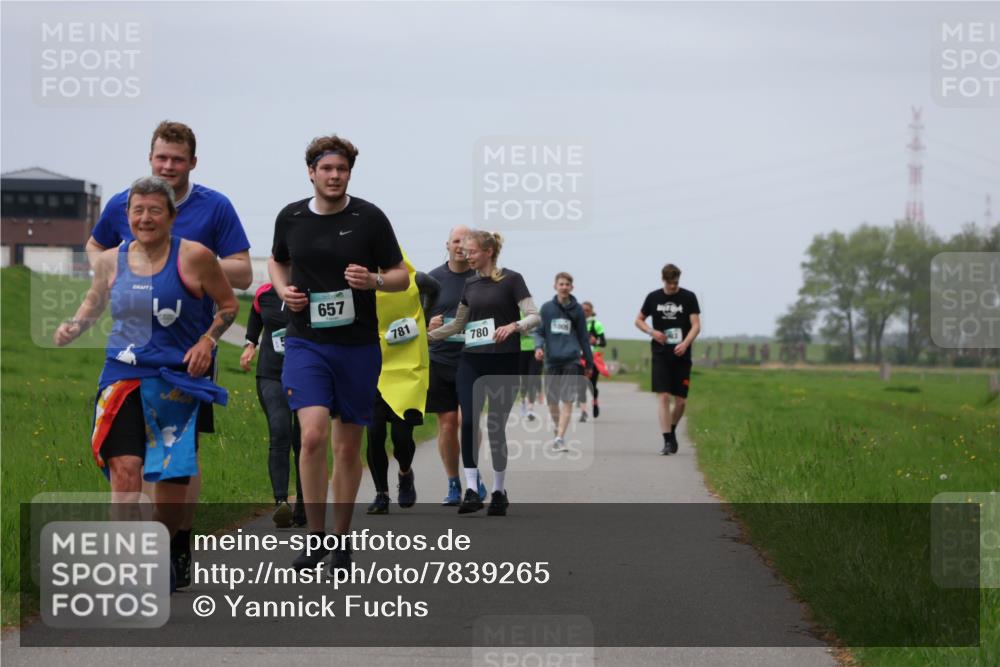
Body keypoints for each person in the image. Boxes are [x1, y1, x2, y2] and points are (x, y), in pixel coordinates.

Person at [85, 121, 252, 589]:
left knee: (175, 463)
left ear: (192, 163)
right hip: (128, 358)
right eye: (161, 157)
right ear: (150, 158)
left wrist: (186, 262)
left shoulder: (215, 207)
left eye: (177, 159)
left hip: (187, 357)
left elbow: (240, 272)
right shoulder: (125, 202)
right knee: (127, 465)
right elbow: (96, 248)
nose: (168, 166)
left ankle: (178, 541)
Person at [54, 176, 238, 590]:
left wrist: (207, 341)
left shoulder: (196, 258)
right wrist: (75, 326)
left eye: (155, 210)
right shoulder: (109, 260)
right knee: (126, 469)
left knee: (170, 494)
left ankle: (163, 545)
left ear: (172, 216)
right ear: (127, 215)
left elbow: (227, 306)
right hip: (122, 376)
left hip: (176, 381)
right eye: (138, 210)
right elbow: (94, 300)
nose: (145, 218)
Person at [269, 134, 409, 571]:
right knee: (311, 436)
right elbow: (276, 260)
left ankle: (342, 540)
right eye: (326, 169)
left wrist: (374, 282)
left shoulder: (370, 218)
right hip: (306, 341)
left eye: (342, 169)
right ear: (311, 172)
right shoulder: (290, 216)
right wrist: (282, 290)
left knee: (348, 449)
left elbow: (400, 275)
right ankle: (315, 536)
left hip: (357, 345)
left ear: (350, 173)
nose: (334, 176)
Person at [428, 231, 540, 516]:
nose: (467, 255)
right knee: (467, 423)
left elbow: (534, 316)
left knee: (495, 428)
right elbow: (458, 326)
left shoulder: (512, 280)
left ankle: (499, 491)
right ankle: (470, 489)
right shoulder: (470, 283)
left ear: (488, 251)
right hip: (471, 361)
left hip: (504, 362)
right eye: (463, 250)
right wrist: (426, 337)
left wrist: (514, 327)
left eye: (472, 251)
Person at [365, 259, 438, 514]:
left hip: (407, 369)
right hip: (373, 367)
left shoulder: (415, 279)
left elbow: (435, 288)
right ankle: (381, 494)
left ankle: (405, 472)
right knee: (374, 434)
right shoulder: (363, 280)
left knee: (401, 436)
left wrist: (424, 319)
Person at [425, 226, 487, 506]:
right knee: (448, 425)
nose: (461, 245)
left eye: (466, 241)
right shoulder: (432, 279)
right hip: (439, 358)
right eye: (456, 240)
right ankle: (453, 482)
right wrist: (429, 323)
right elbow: (416, 318)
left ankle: (473, 476)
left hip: (472, 358)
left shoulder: (483, 279)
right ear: (447, 245)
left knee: (468, 421)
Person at [240, 283, 306, 528]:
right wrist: (250, 343)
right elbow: (256, 313)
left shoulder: (312, 289)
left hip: (306, 375)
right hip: (271, 373)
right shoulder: (264, 292)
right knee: (280, 431)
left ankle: (304, 502)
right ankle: (281, 503)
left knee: (304, 441)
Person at [634, 263, 702, 455]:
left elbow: (696, 325)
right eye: (670, 283)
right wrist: (652, 331)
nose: (673, 286)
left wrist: (686, 343)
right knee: (663, 396)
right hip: (661, 353)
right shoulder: (653, 297)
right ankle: (667, 440)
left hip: (681, 353)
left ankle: (671, 430)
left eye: (676, 283)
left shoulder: (689, 297)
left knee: (680, 401)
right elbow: (638, 320)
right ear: (663, 280)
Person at [533, 273, 594, 452]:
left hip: (571, 360)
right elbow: (539, 331)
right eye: (561, 284)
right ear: (555, 286)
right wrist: (538, 347)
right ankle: (558, 428)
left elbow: (584, 337)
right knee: (552, 401)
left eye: (567, 284)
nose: (564, 287)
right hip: (551, 360)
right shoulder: (546, 309)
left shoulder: (577, 311)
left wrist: (589, 363)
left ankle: (560, 437)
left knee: (567, 399)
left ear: (571, 288)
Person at [579, 301, 607, 419]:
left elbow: (604, 342)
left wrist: (596, 341)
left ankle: (595, 401)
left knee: (591, 385)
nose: (584, 312)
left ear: (591, 311)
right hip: (579, 358)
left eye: (587, 310)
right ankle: (583, 411)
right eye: (582, 309)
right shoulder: (577, 323)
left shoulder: (596, 325)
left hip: (593, 359)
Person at [518, 309, 543, 422]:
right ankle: (523, 401)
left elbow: (541, 331)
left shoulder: (537, 315)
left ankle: (530, 408)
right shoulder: (516, 313)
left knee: (533, 379)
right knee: (524, 380)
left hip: (535, 350)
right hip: (521, 350)